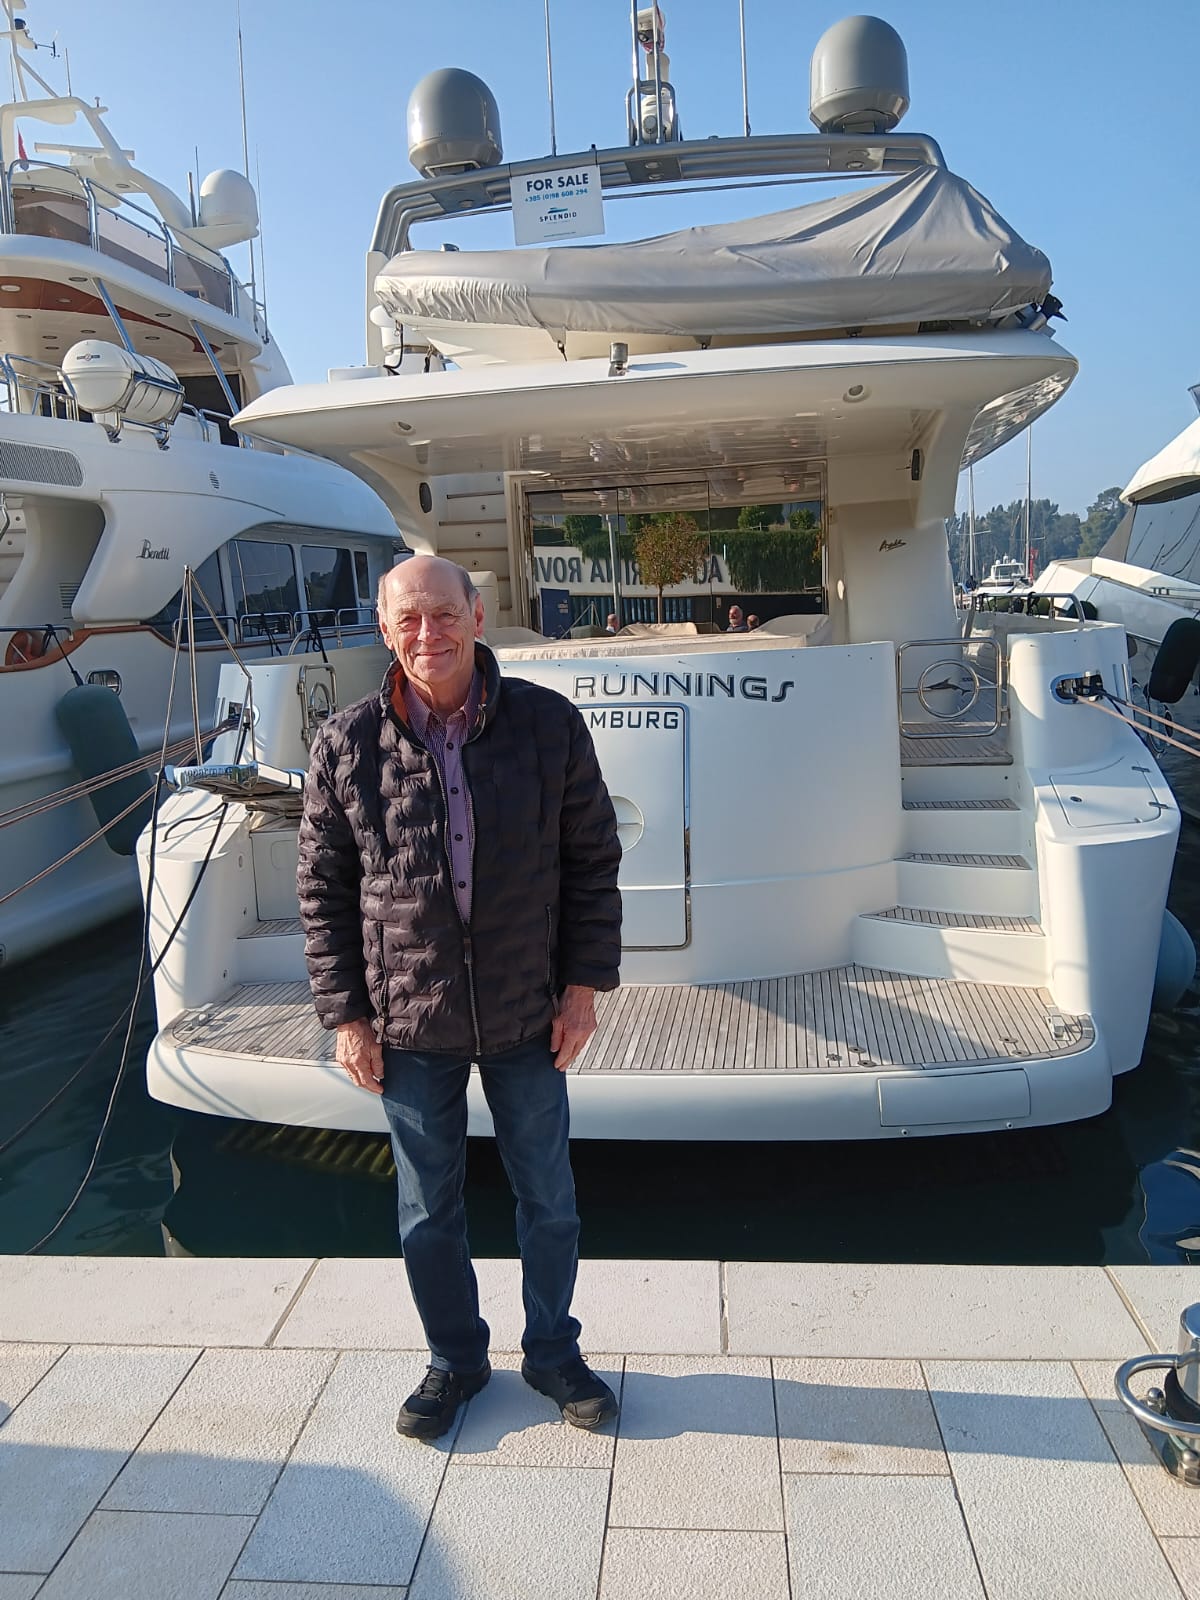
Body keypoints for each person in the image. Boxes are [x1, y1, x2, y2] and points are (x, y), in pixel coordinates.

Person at [297, 554, 623, 1440]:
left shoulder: (548, 725)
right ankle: (456, 1359)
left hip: (527, 1007)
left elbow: (592, 860)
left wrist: (583, 988)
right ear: (384, 630)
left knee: (548, 1198)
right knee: (425, 1210)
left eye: (443, 614)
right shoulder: (346, 742)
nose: (427, 633)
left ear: (478, 617)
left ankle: (552, 1352)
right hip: (409, 1017)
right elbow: (322, 889)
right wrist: (347, 1017)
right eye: (407, 618)